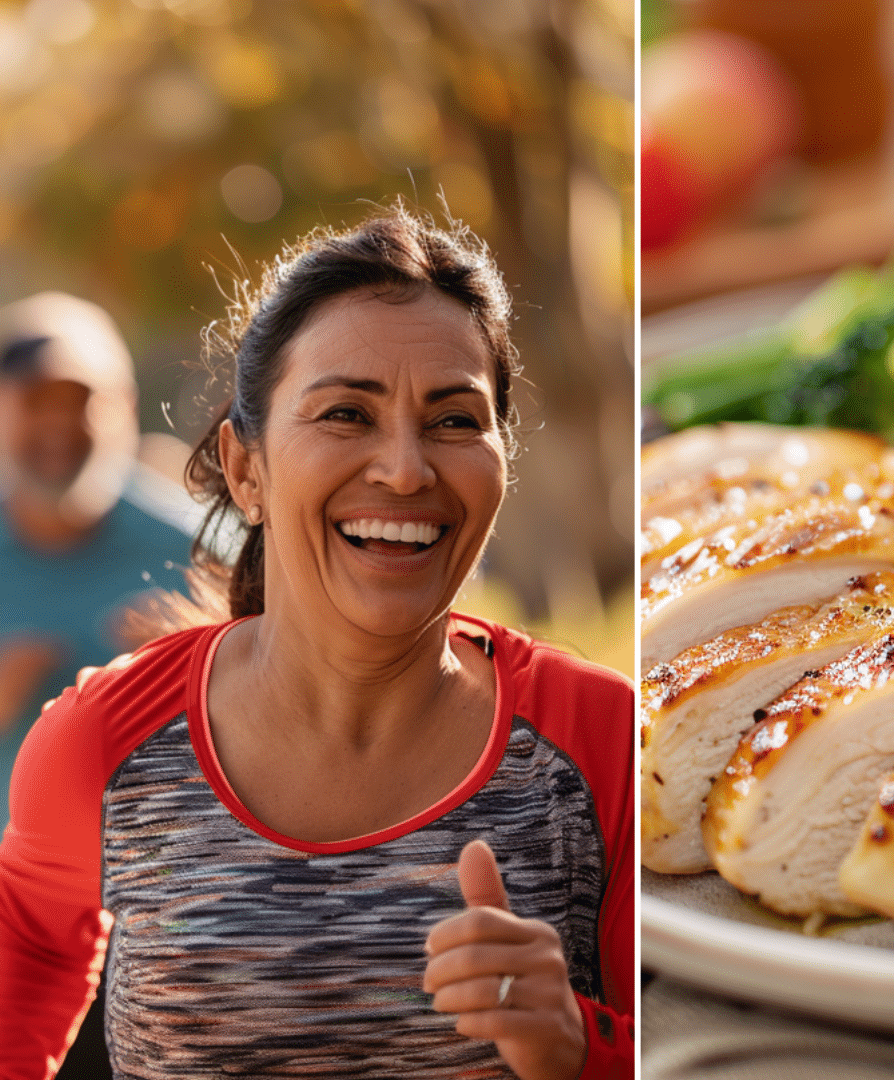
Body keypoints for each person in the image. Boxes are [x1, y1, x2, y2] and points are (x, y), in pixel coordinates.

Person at [0, 208, 633, 1077]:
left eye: (454, 420)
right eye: (345, 413)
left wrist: (579, 1044)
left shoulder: (605, 740)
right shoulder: (101, 739)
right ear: (245, 469)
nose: (406, 469)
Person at [0, 293, 190, 835]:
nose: (59, 424)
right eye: (37, 402)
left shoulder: (199, 550)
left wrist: (198, 655)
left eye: (80, 401)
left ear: (126, 407)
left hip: (153, 892)